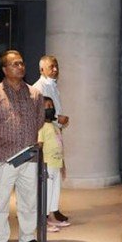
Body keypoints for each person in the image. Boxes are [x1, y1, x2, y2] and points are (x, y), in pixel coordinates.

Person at [0, 50, 44, 242]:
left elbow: (39, 120)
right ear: (5, 69)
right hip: (2, 157)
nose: (20, 67)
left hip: (28, 156)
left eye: (21, 63)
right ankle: (0, 239)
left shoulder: (35, 94)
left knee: (29, 199)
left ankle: (27, 236)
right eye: (15, 64)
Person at [32, 55, 70, 222]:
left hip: (55, 132)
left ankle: (54, 208)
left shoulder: (53, 85)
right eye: (51, 67)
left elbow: (53, 109)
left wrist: (58, 120)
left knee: (56, 178)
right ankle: (44, 212)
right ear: (42, 69)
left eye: (56, 66)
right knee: (47, 179)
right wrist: (56, 118)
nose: (55, 70)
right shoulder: (38, 87)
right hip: (45, 134)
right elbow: (38, 113)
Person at [38, 97, 71, 232]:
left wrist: (63, 164)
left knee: (54, 192)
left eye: (51, 106)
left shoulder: (55, 126)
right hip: (47, 165)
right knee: (47, 192)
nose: (50, 109)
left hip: (56, 164)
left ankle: (52, 216)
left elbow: (59, 145)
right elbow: (39, 147)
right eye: (47, 106)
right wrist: (41, 166)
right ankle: (43, 222)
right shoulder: (41, 127)